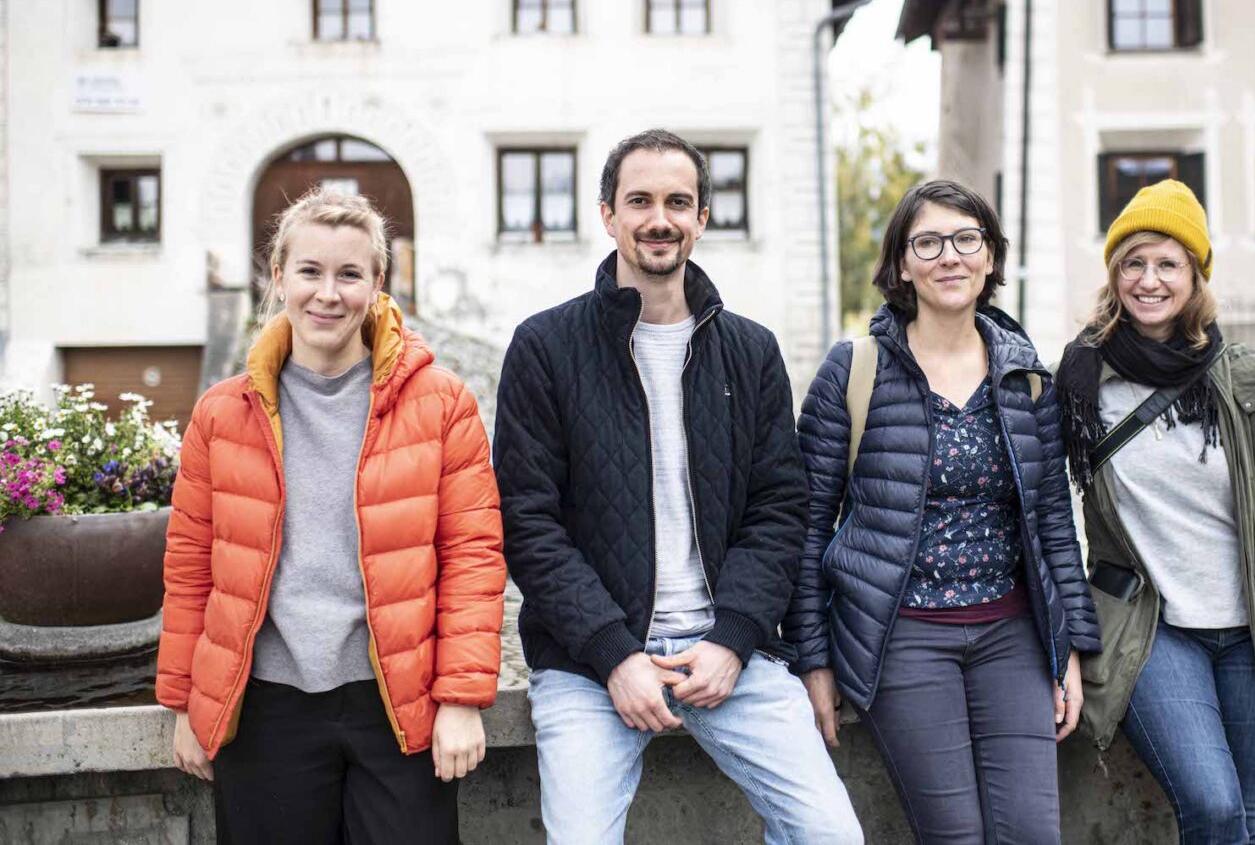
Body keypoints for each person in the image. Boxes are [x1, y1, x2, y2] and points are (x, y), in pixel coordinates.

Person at [493, 129, 863, 844]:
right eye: (639, 201)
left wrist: (734, 638)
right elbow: (528, 522)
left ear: (701, 218)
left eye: (677, 202)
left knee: (831, 836)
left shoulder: (750, 350)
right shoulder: (545, 346)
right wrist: (613, 652)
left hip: (727, 652)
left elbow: (778, 511)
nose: (658, 219)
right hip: (589, 663)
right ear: (608, 215)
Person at [157, 187, 506, 844]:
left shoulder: (441, 404)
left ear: (377, 283)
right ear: (278, 276)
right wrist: (183, 703)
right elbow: (191, 567)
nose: (328, 293)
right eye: (310, 271)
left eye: (349, 274)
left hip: (398, 703)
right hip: (265, 707)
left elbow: (472, 557)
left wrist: (460, 699)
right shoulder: (221, 413)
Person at [788, 179, 1100, 844]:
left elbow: (1052, 523)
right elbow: (807, 526)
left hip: (1011, 634)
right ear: (902, 264)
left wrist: (1068, 645)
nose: (949, 256)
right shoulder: (854, 371)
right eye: (927, 243)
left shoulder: (1026, 379)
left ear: (990, 257)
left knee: (1032, 835)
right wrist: (813, 661)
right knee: (954, 836)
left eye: (966, 239)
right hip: (902, 638)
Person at [1057, 180, 1255, 845]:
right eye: (1133, 262)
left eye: (1167, 264)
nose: (1149, 280)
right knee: (1213, 806)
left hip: (1250, 630)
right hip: (1152, 629)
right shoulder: (1083, 380)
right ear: (1114, 273)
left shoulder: (1242, 379)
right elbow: (1042, 507)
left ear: (1195, 276)